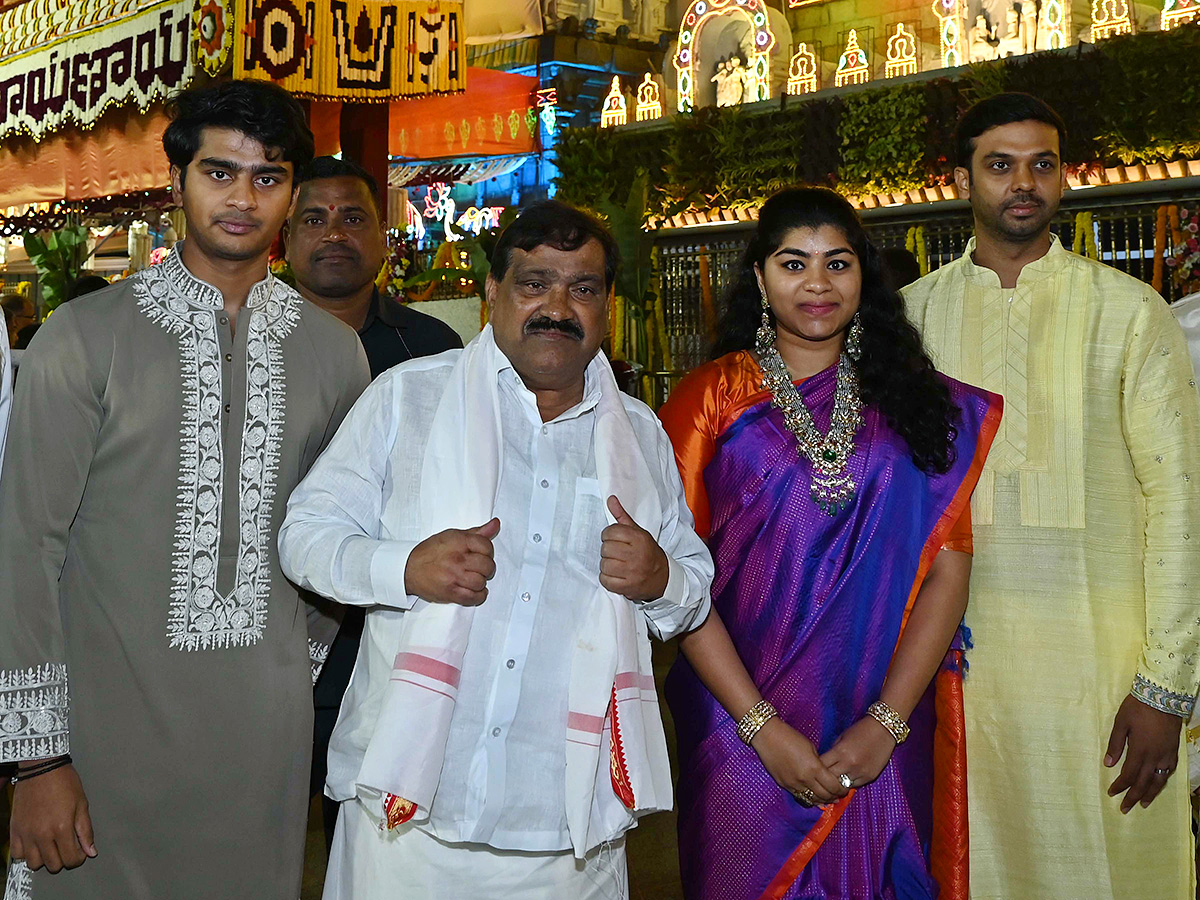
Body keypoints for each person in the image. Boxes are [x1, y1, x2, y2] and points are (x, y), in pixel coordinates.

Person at [278, 200, 714, 899]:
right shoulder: (409, 400)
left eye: (583, 288)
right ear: (491, 297)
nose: (557, 306)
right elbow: (304, 536)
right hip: (407, 820)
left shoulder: (638, 434)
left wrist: (660, 577)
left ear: (607, 306)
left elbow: (692, 586)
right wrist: (404, 566)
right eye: (534, 283)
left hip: (567, 834)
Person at [0, 79, 370, 900]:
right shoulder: (83, 339)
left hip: (260, 757)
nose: (242, 198)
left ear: (292, 194)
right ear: (176, 183)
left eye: (267, 177)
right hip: (97, 749)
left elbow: (335, 545)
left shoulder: (334, 356)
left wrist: (284, 675)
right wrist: (38, 757)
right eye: (218, 172)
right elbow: (24, 548)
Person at [658, 187, 1001, 900]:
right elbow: (677, 582)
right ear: (759, 277)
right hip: (736, 728)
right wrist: (762, 727)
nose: (817, 283)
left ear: (863, 278)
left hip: (879, 724)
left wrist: (885, 724)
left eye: (838, 264)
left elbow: (947, 567)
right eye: (793, 263)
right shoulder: (707, 402)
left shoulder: (917, 404)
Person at [903, 93, 1200, 900]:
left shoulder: (1129, 313)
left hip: (1106, 671)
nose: (1023, 183)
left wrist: (1165, 688)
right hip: (958, 669)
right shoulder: (912, 318)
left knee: (1113, 862)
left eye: (1042, 164)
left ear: (1065, 178)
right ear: (963, 177)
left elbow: (1179, 500)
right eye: (1000, 165)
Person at [284, 154, 462, 849]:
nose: (335, 234)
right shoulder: (246, 343)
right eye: (315, 219)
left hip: (388, 630)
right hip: (265, 630)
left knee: (364, 841)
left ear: (384, 236)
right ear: (287, 239)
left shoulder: (431, 349)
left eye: (353, 218)